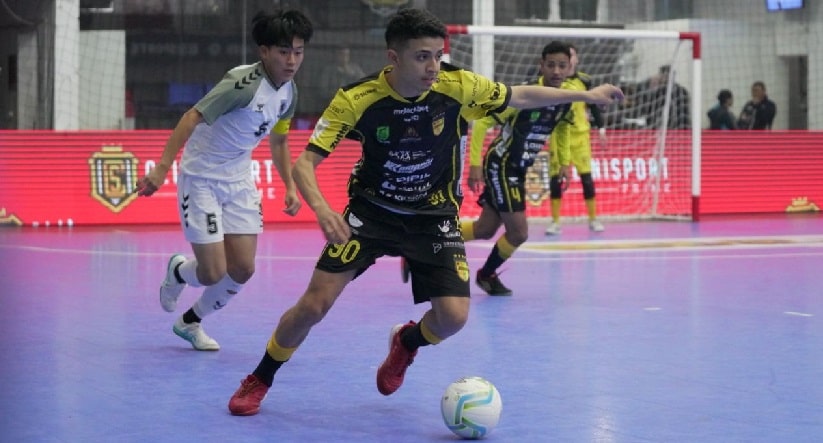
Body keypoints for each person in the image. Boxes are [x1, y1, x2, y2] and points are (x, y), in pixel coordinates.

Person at [226, 7, 623, 416]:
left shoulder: (458, 85)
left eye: (438, 54)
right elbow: (304, 164)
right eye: (422, 56)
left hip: (434, 218)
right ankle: (261, 376)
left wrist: (586, 95)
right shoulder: (357, 99)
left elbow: (519, 95)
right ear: (393, 58)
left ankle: (407, 343)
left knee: (452, 318)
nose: (433, 66)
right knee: (312, 306)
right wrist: (324, 211)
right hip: (371, 215)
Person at [134, 10, 313, 351]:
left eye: (298, 52)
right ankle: (177, 273)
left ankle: (190, 322)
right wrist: (161, 168)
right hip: (201, 179)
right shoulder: (241, 84)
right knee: (213, 272)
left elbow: (278, 140)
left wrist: (289, 185)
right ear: (264, 52)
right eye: (283, 51)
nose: (292, 61)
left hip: (239, 179)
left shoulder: (290, 93)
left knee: (243, 268)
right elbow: (191, 117)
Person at [459, 41, 575, 296]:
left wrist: (564, 163)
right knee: (519, 232)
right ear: (541, 66)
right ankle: (486, 276)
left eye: (562, 66)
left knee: (485, 229)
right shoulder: (524, 96)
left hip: (518, 168)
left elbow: (564, 129)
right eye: (551, 65)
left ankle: (428, 240)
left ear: (569, 69)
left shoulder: (567, 100)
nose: (556, 71)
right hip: (501, 166)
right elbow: (481, 124)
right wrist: (474, 165)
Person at [545, 43, 606, 235]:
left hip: (581, 138)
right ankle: (555, 222)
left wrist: (601, 127)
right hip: (558, 137)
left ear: (575, 60)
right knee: (556, 180)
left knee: (587, 179)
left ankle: (593, 219)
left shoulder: (585, 81)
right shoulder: (552, 82)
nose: (569, 61)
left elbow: (594, 104)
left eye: (572, 57)